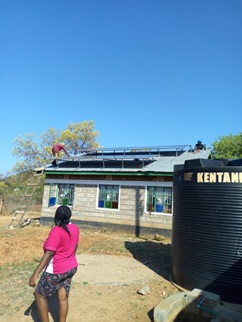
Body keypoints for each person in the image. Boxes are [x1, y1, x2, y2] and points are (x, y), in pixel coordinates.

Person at [29, 206, 80, 322]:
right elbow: (75, 246)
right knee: (63, 297)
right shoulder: (75, 228)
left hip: (56, 270)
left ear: (56, 216)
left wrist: (35, 274)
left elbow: (49, 253)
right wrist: (69, 258)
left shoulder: (56, 230)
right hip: (71, 267)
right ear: (69, 215)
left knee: (39, 295)